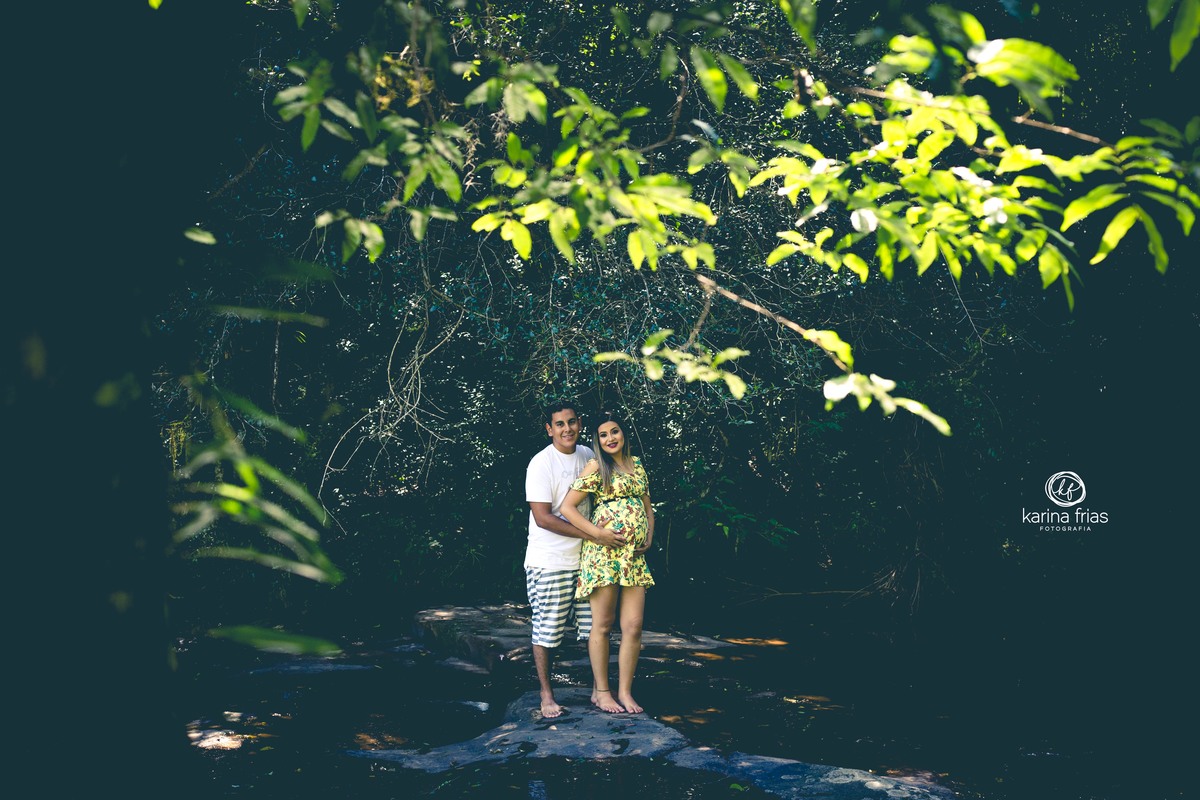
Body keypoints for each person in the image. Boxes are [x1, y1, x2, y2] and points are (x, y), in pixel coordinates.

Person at [524, 402, 627, 719]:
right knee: (548, 632)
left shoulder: (589, 456)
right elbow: (543, 518)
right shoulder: (541, 463)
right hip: (549, 561)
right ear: (549, 429)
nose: (566, 429)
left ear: (579, 424)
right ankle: (546, 695)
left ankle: (600, 691)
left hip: (588, 562)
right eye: (559, 424)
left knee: (596, 628)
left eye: (571, 422)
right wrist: (595, 534)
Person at [560, 409, 655, 714]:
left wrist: (649, 536)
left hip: (634, 558)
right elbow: (568, 507)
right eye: (603, 434)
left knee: (634, 626)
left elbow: (647, 506)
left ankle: (625, 692)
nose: (610, 438)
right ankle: (602, 692)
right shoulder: (595, 466)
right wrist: (598, 534)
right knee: (602, 625)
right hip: (603, 555)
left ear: (623, 433)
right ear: (597, 440)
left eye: (614, 431)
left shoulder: (637, 465)